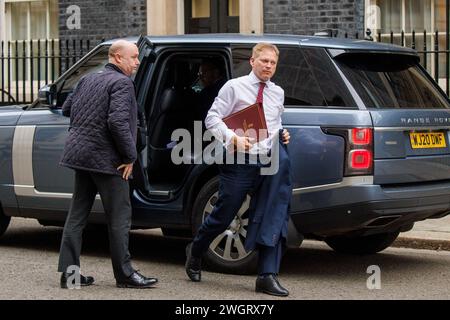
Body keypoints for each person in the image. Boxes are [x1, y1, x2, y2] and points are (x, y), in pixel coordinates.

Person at [185, 43, 292, 297]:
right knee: (225, 214)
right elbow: (212, 118)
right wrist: (232, 138)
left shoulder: (278, 92)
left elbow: (275, 123)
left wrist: (283, 133)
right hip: (238, 159)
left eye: (272, 63)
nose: (268, 66)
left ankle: (267, 275)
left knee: (271, 213)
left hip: (269, 161)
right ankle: (196, 250)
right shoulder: (234, 87)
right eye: (263, 60)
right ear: (252, 61)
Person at [57, 40, 158, 289]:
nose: (137, 62)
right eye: (133, 57)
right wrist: (129, 157)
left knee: (76, 218)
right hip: (109, 161)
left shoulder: (88, 78)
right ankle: (124, 275)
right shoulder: (122, 83)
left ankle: (70, 276)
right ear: (116, 57)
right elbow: (117, 122)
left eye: (137, 57)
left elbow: (68, 108)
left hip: (81, 156)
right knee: (119, 219)